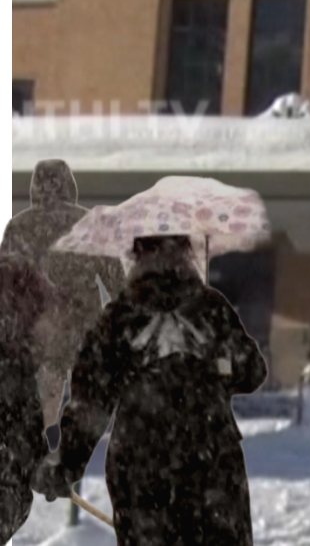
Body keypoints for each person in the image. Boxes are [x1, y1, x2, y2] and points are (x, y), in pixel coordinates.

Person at [32, 234, 267, 546]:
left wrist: (66, 465)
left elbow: (91, 401)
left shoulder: (118, 316)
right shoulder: (213, 308)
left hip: (140, 461)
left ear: (136, 258)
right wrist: (215, 367)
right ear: (186, 255)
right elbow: (253, 373)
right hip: (211, 459)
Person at [1, 159, 127, 442]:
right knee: (85, 389)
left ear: (35, 187)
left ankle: (49, 436)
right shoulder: (91, 225)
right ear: (70, 185)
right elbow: (116, 283)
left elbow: (5, 284)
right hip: (84, 323)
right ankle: (78, 444)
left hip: (38, 326)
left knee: (47, 387)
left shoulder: (18, 227)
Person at [0, 253, 60, 543]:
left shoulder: (19, 371)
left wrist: (42, 466)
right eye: (47, 315)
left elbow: (25, 438)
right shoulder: (11, 375)